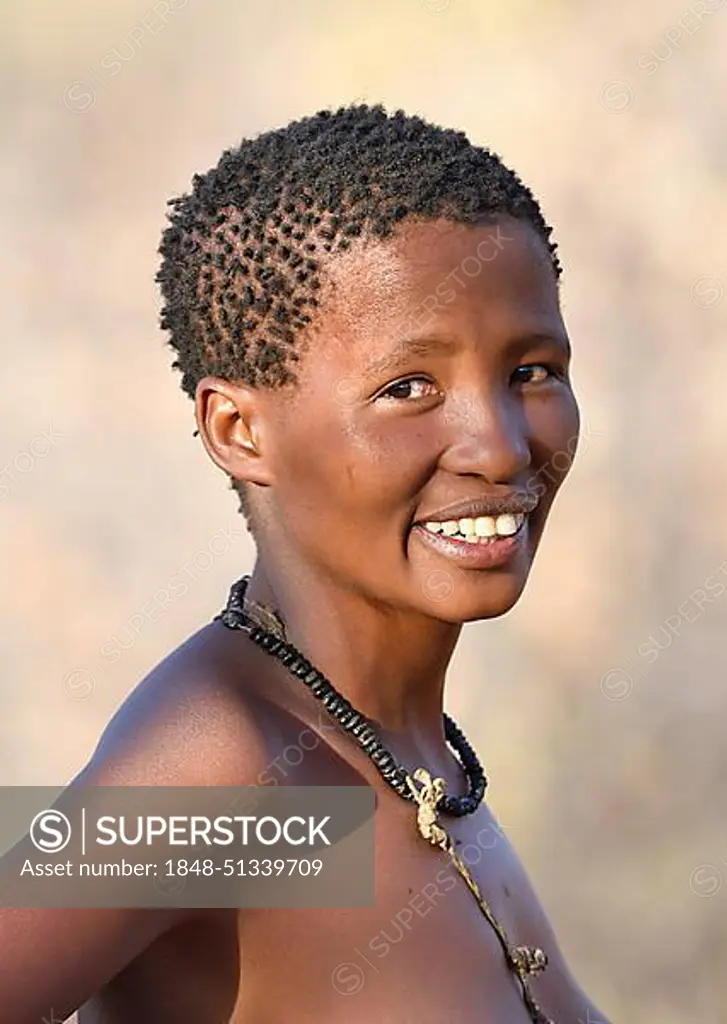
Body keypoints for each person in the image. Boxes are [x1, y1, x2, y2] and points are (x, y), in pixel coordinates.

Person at [0, 104, 609, 1024]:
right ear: (239, 431)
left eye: (531, 370)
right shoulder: (227, 762)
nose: (498, 445)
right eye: (409, 388)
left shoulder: (403, 760)